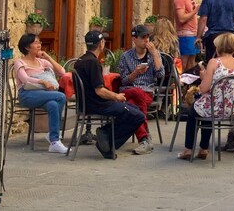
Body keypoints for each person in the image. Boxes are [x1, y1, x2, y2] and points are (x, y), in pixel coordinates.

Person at [73, 31, 146, 159]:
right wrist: (116, 96)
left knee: (134, 109)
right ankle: (107, 139)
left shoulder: (80, 60)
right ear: (101, 44)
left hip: (87, 104)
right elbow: (99, 91)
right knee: (138, 116)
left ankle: (106, 136)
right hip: (98, 105)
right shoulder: (93, 63)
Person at [178, 33, 234, 161]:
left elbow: (204, 89)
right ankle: (203, 148)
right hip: (230, 109)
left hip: (212, 106)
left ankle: (189, 149)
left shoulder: (214, 62)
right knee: (205, 109)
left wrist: (204, 77)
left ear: (219, 47)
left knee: (194, 110)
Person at [12, 34, 68, 154]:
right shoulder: (19, 62)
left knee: (53, 104)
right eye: (36, 43)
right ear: (27, 47)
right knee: (61, 96)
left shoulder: (42, 62)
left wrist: (48, 57)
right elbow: (25, 79)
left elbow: (62, 72)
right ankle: (54, 134)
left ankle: (54, 141)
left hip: (43, 94)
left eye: (39, 42)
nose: (39, 45)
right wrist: (42, 81)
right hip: (27, 94)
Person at [117, 24, 164, 155]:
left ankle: (144, 138)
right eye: (143, 37)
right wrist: (136, 73)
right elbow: (124, 81)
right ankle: (145, 138)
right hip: (129, 90)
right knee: (135, 92)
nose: (146, 40)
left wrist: (155, 54)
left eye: (148, 37)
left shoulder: (153, 54)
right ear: (134, 39)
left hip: (146, 92)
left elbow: (161, 74)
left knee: (132, 105)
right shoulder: (126, 56)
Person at [174, 0, 201, 72]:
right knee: (183, 64)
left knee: (191, 64)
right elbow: (181, 18)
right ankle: (180, 81)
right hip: (185, 35)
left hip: (193, 34)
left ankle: (189, 81)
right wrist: (195, 11)